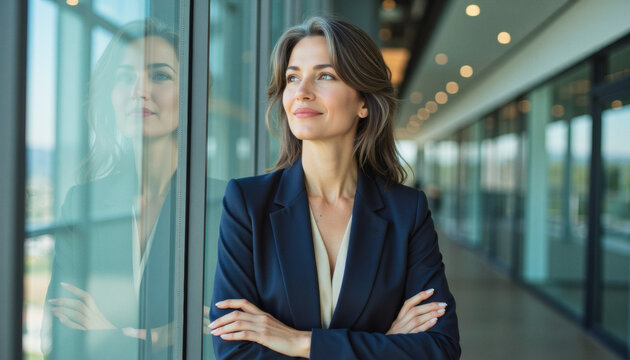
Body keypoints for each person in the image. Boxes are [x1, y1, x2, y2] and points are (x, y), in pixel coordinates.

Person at [209, 17, 460, 359]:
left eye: (324, 75)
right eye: (292, 77)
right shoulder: (248, 203)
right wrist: (385, 341)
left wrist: (301, 343)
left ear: (364, 103)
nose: (302, 92)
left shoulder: (407, 211)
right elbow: (234, 351)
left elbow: (439, 348)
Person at [42, 19, 183, 360]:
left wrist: (107, 334)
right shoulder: (83, 203)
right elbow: (59, 340)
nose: (139, 89)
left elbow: (218, 338)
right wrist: (156, 340)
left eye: (160, 75)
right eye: (124, 76)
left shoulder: (228, 205)